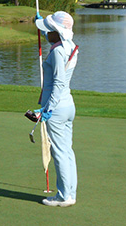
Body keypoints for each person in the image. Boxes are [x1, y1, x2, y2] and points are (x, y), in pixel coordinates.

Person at [34, 11, 79, 207]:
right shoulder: (69, 46)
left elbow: (59, 82)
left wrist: (48, 109)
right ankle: (70, 193)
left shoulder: (58, 51)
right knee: (66, 151)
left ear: (56, 32)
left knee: (60, 152)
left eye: (48, 30)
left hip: (58, 107)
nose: (45, 33)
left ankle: (63, 197)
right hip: (67, 105)